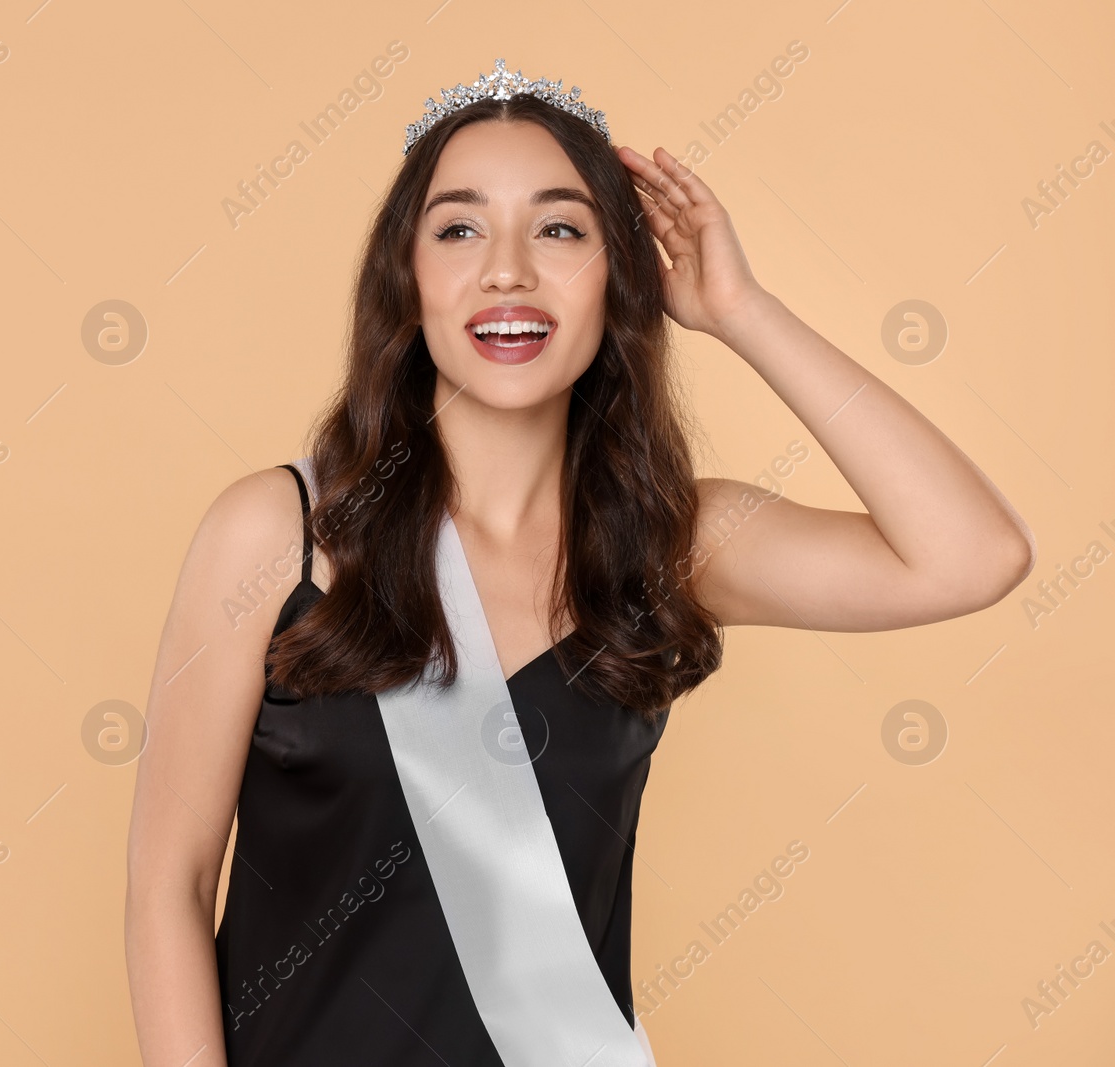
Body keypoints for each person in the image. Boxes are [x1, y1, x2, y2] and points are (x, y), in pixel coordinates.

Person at [124, 58, 1035, 1067]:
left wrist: (739, 309)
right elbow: (169, 880)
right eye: (459, 229)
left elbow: (970, 554)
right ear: (406, 275)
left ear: (620, 275)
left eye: (559, 229)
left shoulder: (670, 544)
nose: (507, 270)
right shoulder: (277, 533)